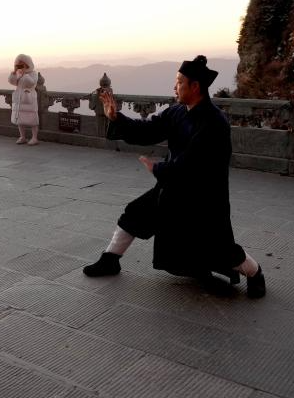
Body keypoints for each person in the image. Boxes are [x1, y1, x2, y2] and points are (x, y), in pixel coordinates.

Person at [82, 55, 266, 299]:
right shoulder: (177, 112)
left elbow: (195, 162)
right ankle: (110, 260)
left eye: (179, 82)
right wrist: (116, 118)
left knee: (219, 248)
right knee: (136, 213)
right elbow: (148, 129)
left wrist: (158, 169)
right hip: (174, 187)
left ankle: (255, 274)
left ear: (195, 87)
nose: (174, 87)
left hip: (204, 197)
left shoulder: (214, 123)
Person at [8, 54, 39, 145]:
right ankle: (22, 137)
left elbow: (31, 84)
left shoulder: (33, 73)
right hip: (19, 98)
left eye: (22, 63)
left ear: (27, 64)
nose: (20, 65)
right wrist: (13, 73)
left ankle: (34, 138)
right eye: (19, 63)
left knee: (33, 118)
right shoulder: (18, 72)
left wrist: (25, 74)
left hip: (29, 98)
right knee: (20, 119)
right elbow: (12, 82)